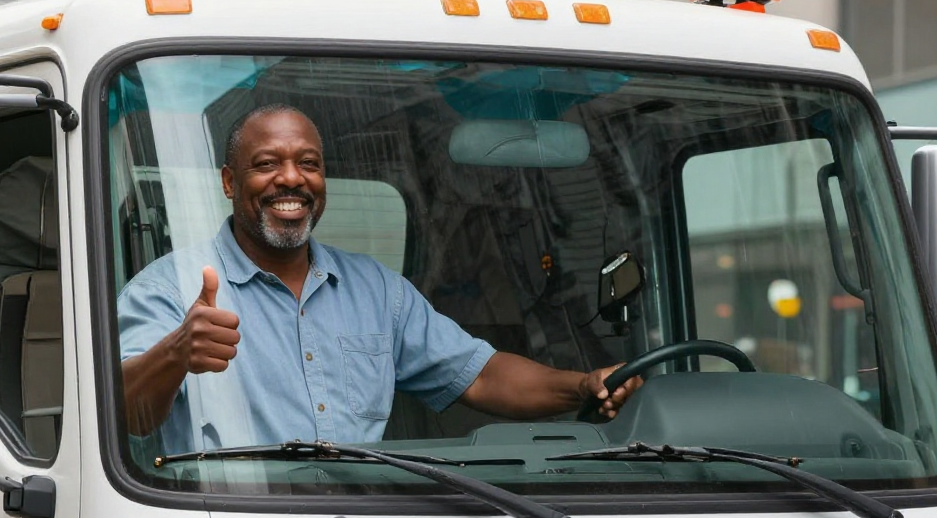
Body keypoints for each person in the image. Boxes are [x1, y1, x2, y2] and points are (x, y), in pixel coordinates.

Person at [118, 104, 640, 452]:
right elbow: (125, 416)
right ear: (230, 182)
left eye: (309, 163)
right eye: (266, 164)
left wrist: (582, 385)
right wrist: (176, 352)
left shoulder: (376, 290)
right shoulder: (168, 290)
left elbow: (480, 376)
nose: (292, 178)